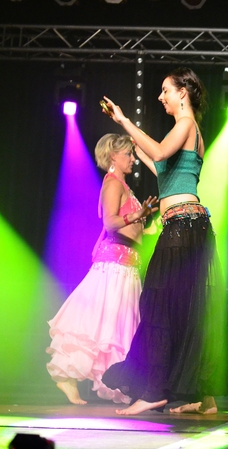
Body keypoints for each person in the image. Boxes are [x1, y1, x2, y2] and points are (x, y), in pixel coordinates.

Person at [100, 67, 228, 415]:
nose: (161, 97)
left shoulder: (186, 124)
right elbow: (162, 167)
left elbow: (159, 153)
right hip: (189, 227)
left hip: (182, 227)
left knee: (158, 305)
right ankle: (204, 397)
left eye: (165, 90)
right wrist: (131, 136)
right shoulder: (190, 131)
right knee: (186, 309)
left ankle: (154, 390)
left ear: (182, 93)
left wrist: (125, 120)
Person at [46, 134, 157, 405]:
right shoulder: (112, 183)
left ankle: (119, 383)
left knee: (115, 327)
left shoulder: (123, 185)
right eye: (128, 154)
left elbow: (131, 228)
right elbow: (110, 222)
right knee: (95, 323)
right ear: (112, 157)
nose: (133, 159)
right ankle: (67, 376)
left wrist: (149, 226)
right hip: (114, 265)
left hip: (126, 264)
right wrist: (138, 215)